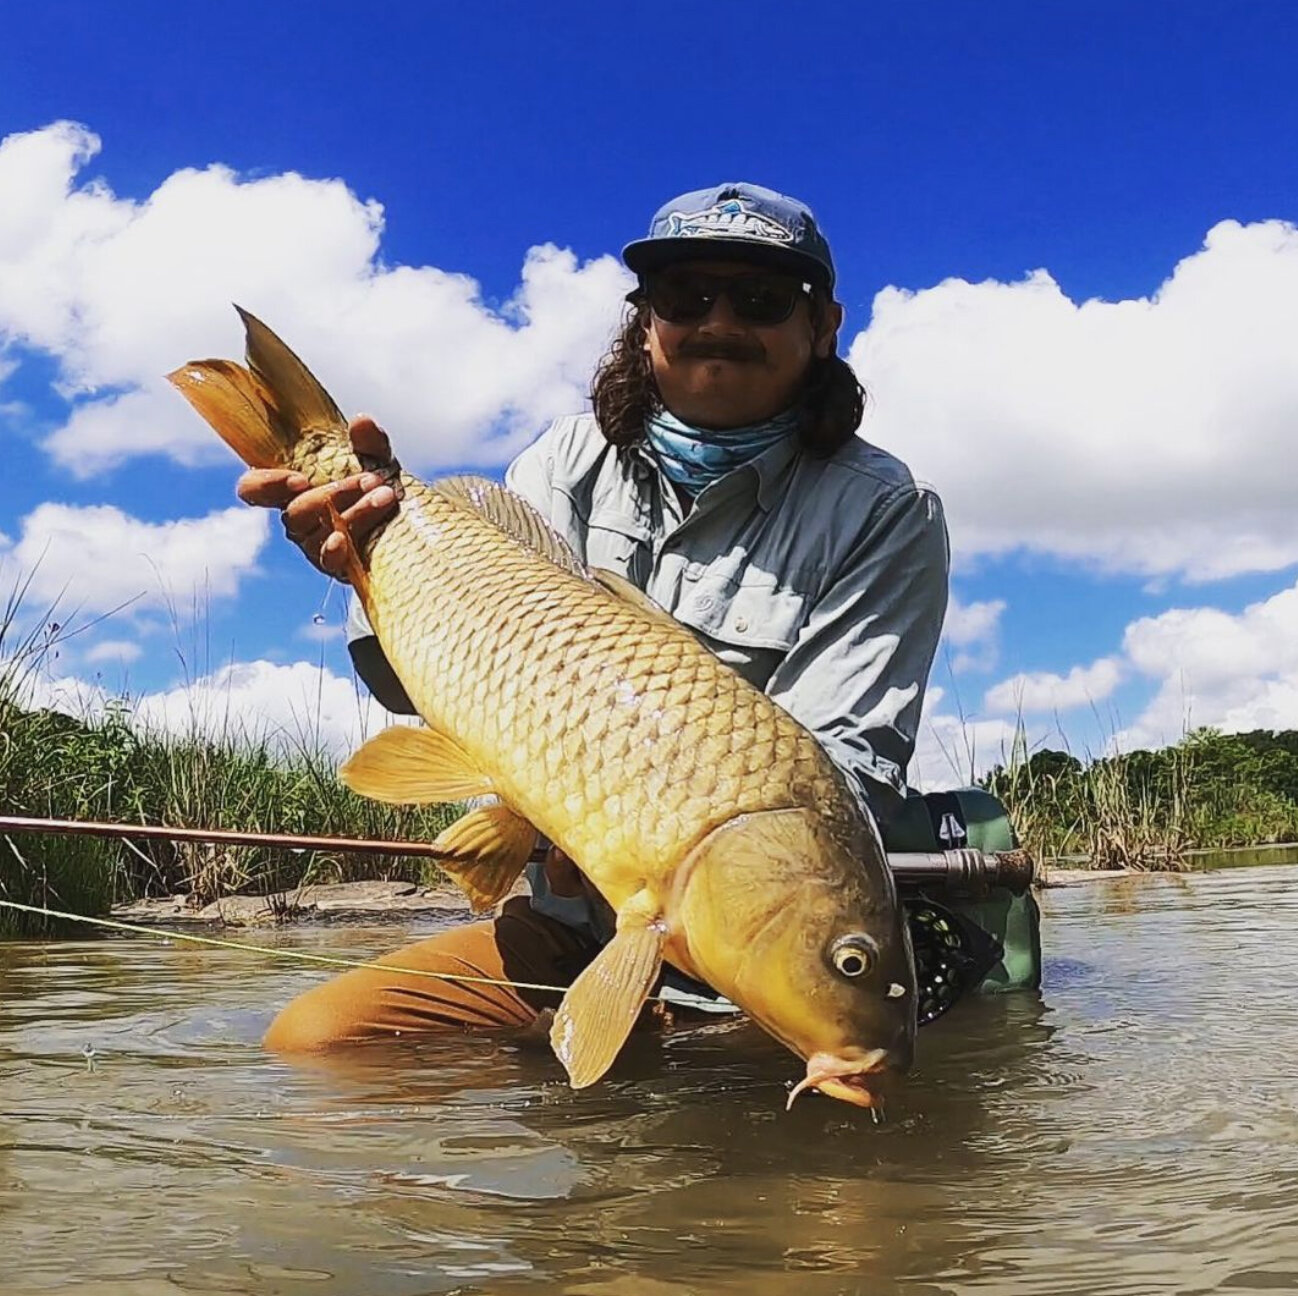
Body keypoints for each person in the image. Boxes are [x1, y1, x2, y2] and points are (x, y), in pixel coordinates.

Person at [237, 182, 950, 1051]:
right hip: (575, 923)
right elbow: (445, 688)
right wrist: (366, 556)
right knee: (316, 1046)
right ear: (645, 322)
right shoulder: (566, 461)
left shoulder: (888, 509)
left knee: (795, 1106)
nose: (719, 322)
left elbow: (837, 779)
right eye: (685, 297)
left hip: (757, 934)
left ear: (824, 325)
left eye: (762, 301)